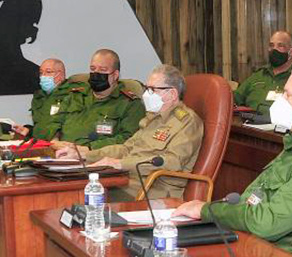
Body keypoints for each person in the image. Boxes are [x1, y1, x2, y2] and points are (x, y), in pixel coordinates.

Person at [173, 60, 292, 256]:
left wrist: (205, 211)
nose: (280, 100)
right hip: (252, 244)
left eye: (288, 95)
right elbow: (254, 201)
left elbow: (267, 223)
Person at [56, 65, 203, 201]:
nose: (146, 94)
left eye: (152, 89)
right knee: (74, 182)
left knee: (85, 189)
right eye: (146, 88)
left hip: (156, 188)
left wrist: (120, 164)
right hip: (131, 179)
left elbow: (173, 162)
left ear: (171, 94)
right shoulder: (153, 118)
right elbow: (126, 148)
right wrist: (84, 155)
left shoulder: (186, 122)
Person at [56, 49, 145, 150]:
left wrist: (89, 148)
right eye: (93, 69)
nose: (96, 73)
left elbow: (129, 139)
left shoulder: (130, 104)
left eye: (103, 70)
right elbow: (55, 122)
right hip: (60, 155)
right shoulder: (75, 95)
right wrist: (54, 141)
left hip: (95, 159)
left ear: (115, 75)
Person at [13, 59, 87, 141]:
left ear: (60, 75)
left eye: (48, 72)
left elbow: (71, 127)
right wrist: (29, 131)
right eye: (41, 73)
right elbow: (43, 126)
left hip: (62, 145)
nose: (43, 76)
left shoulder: (72, 94)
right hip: (41, 144)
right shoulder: (39, 96)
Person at [233, 30, 292, 115]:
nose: (274, 49)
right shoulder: (259, 75)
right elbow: (234, 99)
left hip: (281, 126)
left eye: (280, 46)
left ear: (291, 52)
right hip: (250, 125)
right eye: (271, 45)